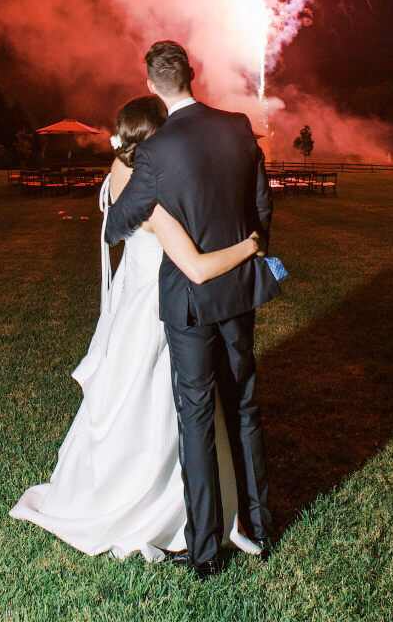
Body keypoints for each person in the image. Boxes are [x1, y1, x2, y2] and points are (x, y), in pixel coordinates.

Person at [9, 94, 264, 563]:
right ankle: (163, 510)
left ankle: (205, 509)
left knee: (150, 405)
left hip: (134, 304)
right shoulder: (153, 204)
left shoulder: (118, 174)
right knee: (173, 410)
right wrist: (250, 246)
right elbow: (197, 267)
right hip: (161, 307)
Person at [106, 40, 281, 580]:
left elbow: (118, 223)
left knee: (196, 418)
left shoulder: (157, 149)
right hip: (238, 292)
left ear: (153, 84)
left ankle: (205, 549)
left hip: (187, 303)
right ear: (192, 75)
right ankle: (259, 524)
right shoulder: (238, 126)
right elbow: (261, 205)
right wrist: (251, 252)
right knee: (244, 408)